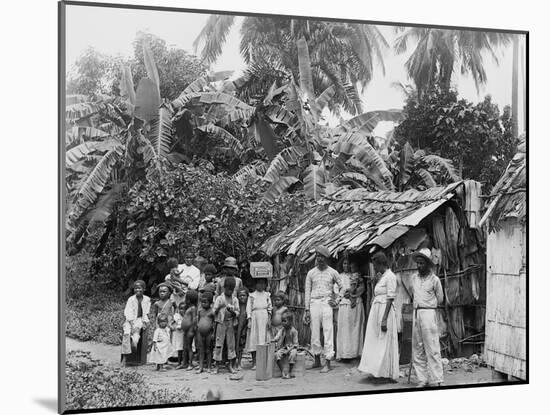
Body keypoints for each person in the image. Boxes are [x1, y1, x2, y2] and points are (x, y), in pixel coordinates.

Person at [358, 251, 400, 382]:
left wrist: (384, 319)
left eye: (375, 265)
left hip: (384, 311)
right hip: (377, 310)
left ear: (382, 264)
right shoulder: (383, 277)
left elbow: (390, 298)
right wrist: (376, 280)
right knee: (376, 342)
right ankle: (376, 371)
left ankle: (385, 374)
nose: (374, 268)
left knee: (384, 342)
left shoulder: (391, 276)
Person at [303, 245, 344, 373]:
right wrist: (307, 309)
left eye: (322, 256)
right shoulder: (311, 273)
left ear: (327, 258)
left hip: (326, 303)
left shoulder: (333, 272)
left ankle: (327, 362)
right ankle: (316, 361)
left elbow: (343, 287)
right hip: (314, 302)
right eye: (318, 256)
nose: (319, 259)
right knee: (314, 332)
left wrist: (336, 300)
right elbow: (307, 291)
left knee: (328, 331)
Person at [411, 248, 444, 387]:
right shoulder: (413, 278)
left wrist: (428, 305)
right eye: (418, 263)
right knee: (417, 347)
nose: (419, 266)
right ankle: (422, 379)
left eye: (422, 263)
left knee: (432, 346)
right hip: (416, 312)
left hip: (429, 314)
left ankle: (436, 379)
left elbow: (440, 299)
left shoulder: (435, 280)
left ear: (428, 264)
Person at [336, 258, 365, 360]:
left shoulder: (356, 275)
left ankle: (355, 353)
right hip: (344, 304)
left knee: (355, 328)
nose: (346, 266)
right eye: (344, 263)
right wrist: (343, 294)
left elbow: (362, 288)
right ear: (342, 265)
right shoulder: (339, 276)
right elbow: (336, 290)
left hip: (355, 303)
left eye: (348, 264)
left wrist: (354, 294)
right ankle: (345, 353)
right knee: (345, 329)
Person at [213, 276, 240, 374]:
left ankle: (231, 365)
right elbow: (214, 311)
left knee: (231, 344)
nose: (230, 292)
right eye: (228, 289)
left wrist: (232, 312)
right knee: (219, 343)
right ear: (224, 288)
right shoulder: (220, 298)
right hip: (221, 323)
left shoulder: (235, 299)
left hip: (230, 323)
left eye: (232, 290)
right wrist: (220, 307)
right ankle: (217, 365)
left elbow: (237, 312)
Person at [121, 280, 151, 366]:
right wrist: (131, 324)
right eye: (136, 288)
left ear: (144, 289)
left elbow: (146, 313)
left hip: (140, 319)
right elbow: (128, 313)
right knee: (127, 333)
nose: (137, 290)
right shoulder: (131, 299)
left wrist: (145, 322)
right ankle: (125, 357)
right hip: (130, 320)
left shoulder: (147, 299)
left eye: (139, 288)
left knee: (137, 331)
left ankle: (135, 343)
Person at [245, 278, 272, 369]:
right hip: (255, 317)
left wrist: (269, 319)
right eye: (259, 283)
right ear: (255, 285)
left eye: (263, 283)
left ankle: (263, 362)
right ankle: (254, 362)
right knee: (254, 338)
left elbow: (269, 308)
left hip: (264, 317)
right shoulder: (252, 296)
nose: (261, 285)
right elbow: (248, 308)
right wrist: (249, 319)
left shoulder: (267, 295)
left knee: (263, 338)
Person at [272, 311, 299, 379]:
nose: (282, 323)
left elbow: (295, 344)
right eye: (282, 321)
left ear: (290, 322)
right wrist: (273, 340)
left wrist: (288, 351)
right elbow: (277, 337)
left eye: (285, 321)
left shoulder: (294, 331)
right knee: (277, 354)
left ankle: (289, 372)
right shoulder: (282, 330)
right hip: (284, 347)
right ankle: (282, 372)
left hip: (292, 348)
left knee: (292, 354)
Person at [195, 291, 215, 373]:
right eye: (202, 302)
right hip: (200, 333)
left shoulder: (212, 312)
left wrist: (213, 333)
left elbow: (214, 323)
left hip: (209, 333)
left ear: (210, 302)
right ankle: (201, 367)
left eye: (205, 302)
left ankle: (209, 367)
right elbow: (198, 321)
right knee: (201, 350)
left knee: (209, 350)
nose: (203, 304)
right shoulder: (200, 311)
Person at [179, 289, 198, 370]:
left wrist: (192, 329)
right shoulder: (189, 307)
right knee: (185, 347)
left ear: (189, 300)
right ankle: (184, 363)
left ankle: (190, 363)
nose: (185, 300)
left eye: (186, 299)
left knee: (189, 347)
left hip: (190, 330)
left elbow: (194, 319)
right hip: (185, 331)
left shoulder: (193, 308)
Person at [235, 287, 249, 370]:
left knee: (240, 346)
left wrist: (245, 329)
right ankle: (234, 363)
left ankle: (239, 362)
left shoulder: (248, 307)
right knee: (234, 346)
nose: (242, 297)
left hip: (243, 330)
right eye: (240, 296)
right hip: (236, 329)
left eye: (244, 295)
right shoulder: (236, 306)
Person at [171, 302, 186, 368]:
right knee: (179, 349)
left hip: (185, 334)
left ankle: (185, 362)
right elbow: (172, 323)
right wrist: (173, 327)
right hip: (178, 335)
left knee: (185, 348)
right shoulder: (177, 316)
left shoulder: (187, 316)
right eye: (181, 309)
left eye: (184, 309)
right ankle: (179, 362)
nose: (182, 310)